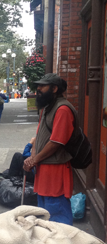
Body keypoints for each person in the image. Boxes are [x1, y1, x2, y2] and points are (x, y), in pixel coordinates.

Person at [23, 73, 75, 225]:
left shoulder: (63, 109)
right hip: (44, 169)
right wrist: (32, 157)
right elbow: (39, 137)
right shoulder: (48, 108)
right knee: (44, 213)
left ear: (54, 88)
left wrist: (34, 159)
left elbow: (57, 142)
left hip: (55, 170)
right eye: (38, 85)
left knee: (57, 214)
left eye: (42, 86)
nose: (38, 88)